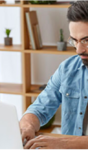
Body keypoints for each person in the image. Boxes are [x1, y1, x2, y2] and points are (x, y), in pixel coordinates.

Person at [20, 1, 88, 149]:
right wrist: (28, 126)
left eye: (86, 40)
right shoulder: (67, 69)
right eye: (74, 41)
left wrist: (62, 143)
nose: (79, 50)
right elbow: (38, 108)